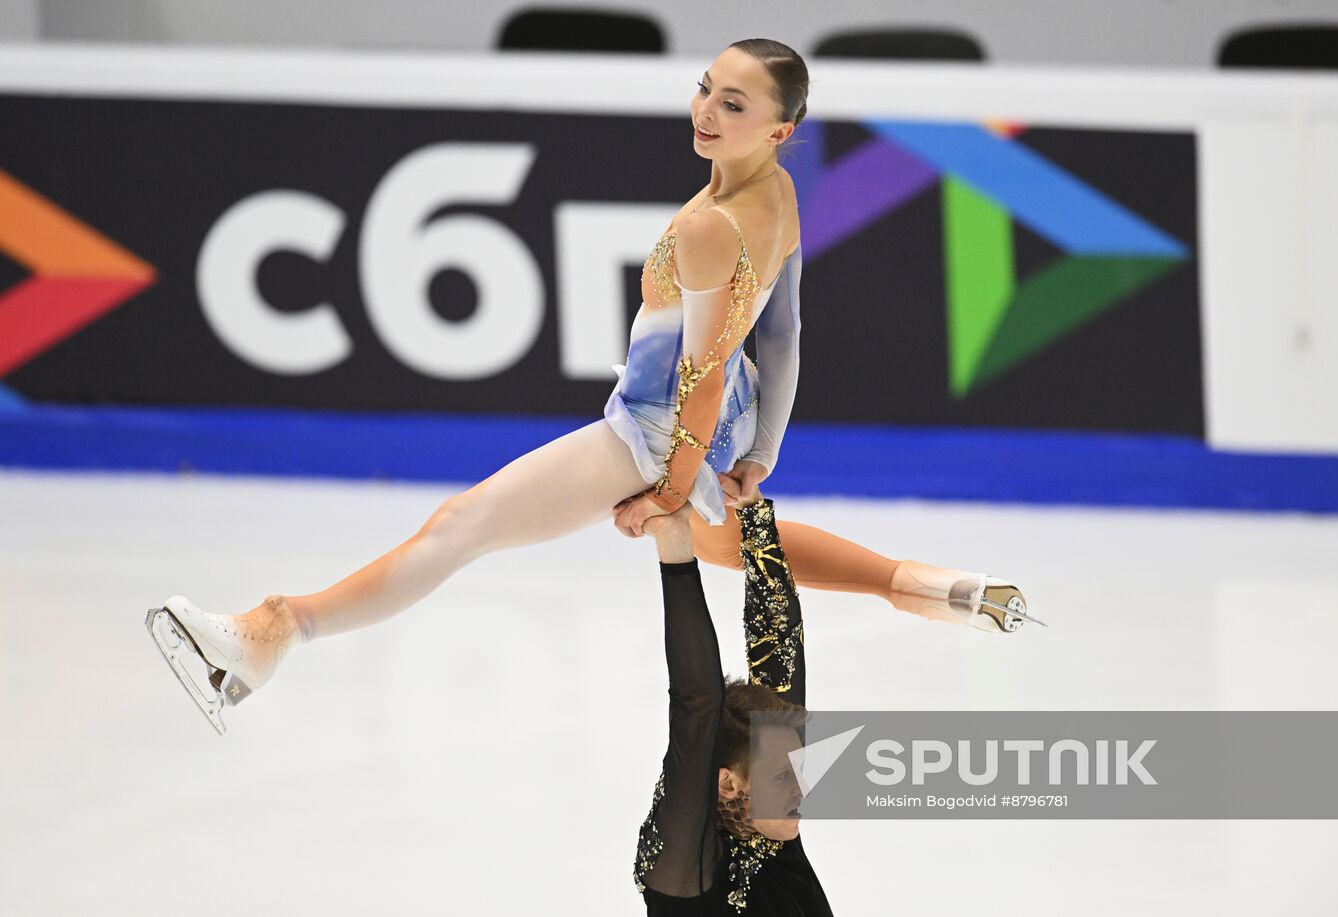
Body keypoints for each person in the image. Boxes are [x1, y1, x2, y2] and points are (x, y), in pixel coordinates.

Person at [144, 39, 1039, 736]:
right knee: (738, 549)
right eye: (704, 88)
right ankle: (927, 585)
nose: (706, 110)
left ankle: (275, 628)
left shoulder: (707, 225)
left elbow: (705, 370)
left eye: (734, 104)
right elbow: (784, 332)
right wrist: (757, 451)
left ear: (778, 130)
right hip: (718, 426)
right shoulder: (780, 195)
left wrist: (670, 491)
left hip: (654, 430)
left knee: (461, 526)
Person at [631, 491, 830, 914]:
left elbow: (780, 642)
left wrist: (752, 510)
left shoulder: (769, 825)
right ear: (727, 783)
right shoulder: (682, 869)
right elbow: (696, 702)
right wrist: (674, 545)